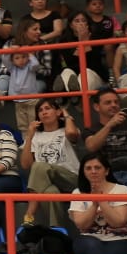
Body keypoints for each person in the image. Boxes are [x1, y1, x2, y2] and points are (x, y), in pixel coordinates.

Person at [19, 98, 82, 228]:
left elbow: (72, 133)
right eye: (40, 110)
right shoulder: (36, 136)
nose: (44, 112)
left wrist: (66, 115)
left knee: (39, 166)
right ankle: (57, 231)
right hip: (48, 182)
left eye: (48, 108)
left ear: (58, 112)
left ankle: (29, 215)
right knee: (50, 193)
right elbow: (25, 165)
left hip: (71, 179)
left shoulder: (67, 129)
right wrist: (29, 136)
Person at [82, 88, 127, 192]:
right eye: (108, 102)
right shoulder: (91, 130)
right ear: (96, 107)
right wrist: (110, 125)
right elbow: (91, 146)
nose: (113, 105)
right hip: (107, 176)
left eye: (116, 102)